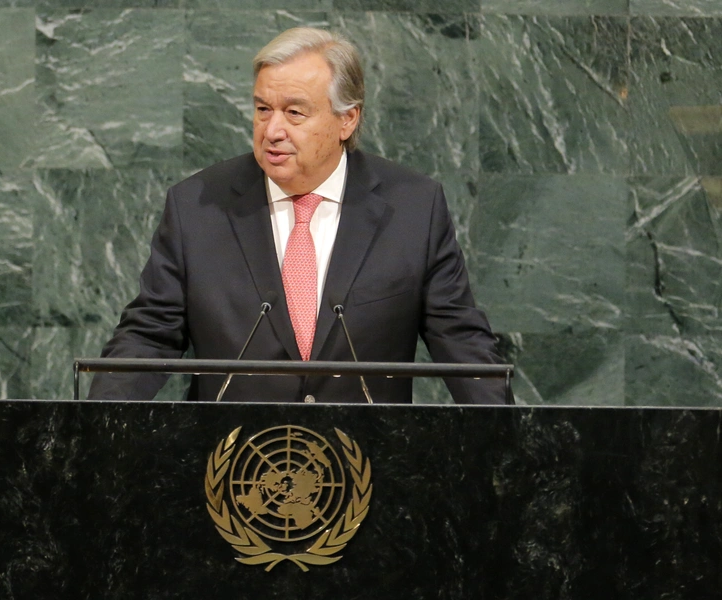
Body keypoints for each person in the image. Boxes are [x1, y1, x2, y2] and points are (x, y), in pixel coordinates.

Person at [88, 27, 509, 404]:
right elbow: (148, 334)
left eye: (294, 112)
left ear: (347, 119)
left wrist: (513, 442)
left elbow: (460, 340)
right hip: (233, 470)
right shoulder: (196, 207)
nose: (272, 130)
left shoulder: (413, 209)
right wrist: (92, 428)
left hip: (371, 470)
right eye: (262, 109)